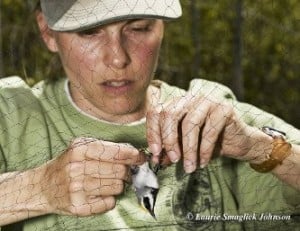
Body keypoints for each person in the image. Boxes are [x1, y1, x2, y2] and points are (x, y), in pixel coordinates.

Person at [0, 0, 299, 230]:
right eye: (89, 32)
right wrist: (38, 187)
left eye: (138, 27)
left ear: (160, 27)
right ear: (48, 33)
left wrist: (259, 148)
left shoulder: (216, 114)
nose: (117, 57)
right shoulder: (12, 116)